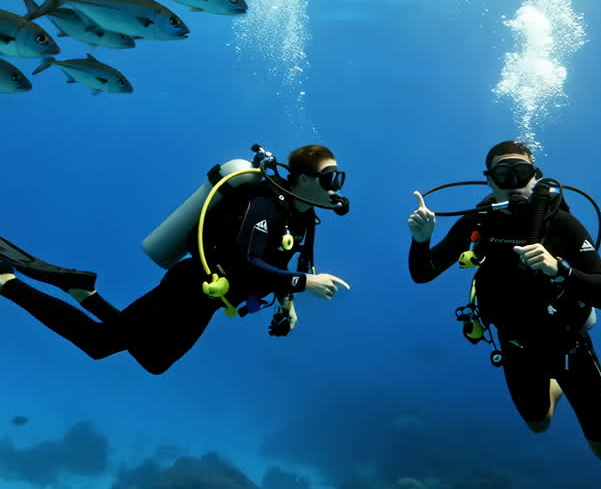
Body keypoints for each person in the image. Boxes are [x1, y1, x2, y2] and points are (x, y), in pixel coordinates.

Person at [408, 139, 601, 473]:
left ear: (536, 177)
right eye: (504, 173)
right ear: (488, 179)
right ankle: (556, 386)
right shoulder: (479, 223)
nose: (514, 182)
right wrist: (421, 240)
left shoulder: (560, 224)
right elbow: (424, 272)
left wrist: (560, 269)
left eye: (522, 172)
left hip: (568, 347)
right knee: (538, 422)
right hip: (514, 344)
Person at [0, 144, 350, 374]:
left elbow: (282, 264)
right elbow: (246, 261)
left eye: (338, 177)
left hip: (212, 301)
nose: (336, 185)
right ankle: (8, 283)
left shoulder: (303, 218)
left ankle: (83, 293)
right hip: (189, 287)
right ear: (304, 178)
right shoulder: (265, 206)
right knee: (98, 344)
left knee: (153, 360)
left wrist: (287, 304)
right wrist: (305, 284)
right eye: (330, 177)